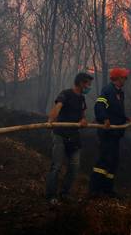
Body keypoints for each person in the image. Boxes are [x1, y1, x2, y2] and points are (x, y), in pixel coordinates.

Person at [45, 72, 93, 204]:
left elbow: (82, 115)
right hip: (60, 134)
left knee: (74, 167)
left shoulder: (82, 99)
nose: (89, 87)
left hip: (74, 136)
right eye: (88, 84)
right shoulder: (65, 94)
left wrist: (83, 121)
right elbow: (57, 107)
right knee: (57, 166)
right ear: (81, 83)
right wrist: (50, 120)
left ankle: (65, 193)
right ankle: (51, 195)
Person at [89, 67, 131, 197]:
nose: (125, 80)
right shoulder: (108, 90)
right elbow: (99, 106)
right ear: (117, 78)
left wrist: (127, 119)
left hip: (116, 133)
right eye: (123, 77)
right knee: (104, 160)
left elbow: (118, 112)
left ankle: (107, 189)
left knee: (114, 161)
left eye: (125, 78)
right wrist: (105, 119)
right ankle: (94, 190)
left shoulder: (120, 93)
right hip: (107, 132)